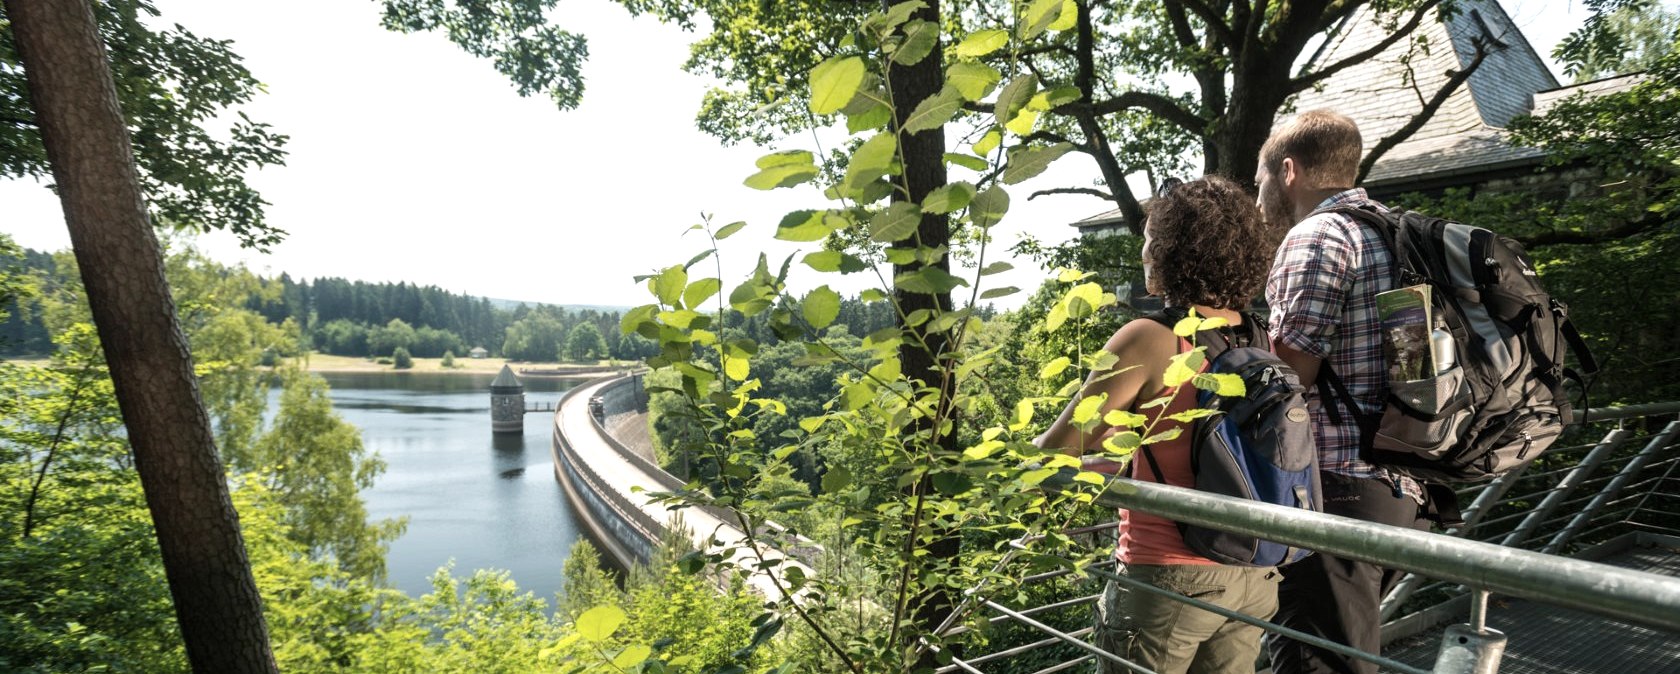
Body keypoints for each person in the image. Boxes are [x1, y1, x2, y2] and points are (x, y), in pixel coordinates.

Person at [1038, 175, 1280, 674]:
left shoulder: (1148, 338)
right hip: (1252, 576)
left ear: (1173, 251)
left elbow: (1059, 448)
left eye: (1150, 237)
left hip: (1166, 580)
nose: (1144, 249)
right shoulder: (1260, 339)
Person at [1257, 109, 1432, 674]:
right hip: (1400, 483)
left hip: (1335, 489)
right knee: (1344, 653)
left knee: (1317, 661)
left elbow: (1289, 378)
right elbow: (1414, 363)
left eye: (1258, 181)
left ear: (1288, 170)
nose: (1257, 199)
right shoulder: (1396, 231)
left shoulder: (1317, 236)